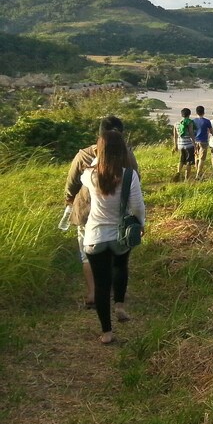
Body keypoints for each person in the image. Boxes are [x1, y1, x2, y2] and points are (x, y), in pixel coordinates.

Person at [64, 116, 138, 309]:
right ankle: (111, 290)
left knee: (87, 254)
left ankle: (92, 293)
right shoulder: (127, 155)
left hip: (85, 211)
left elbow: (71, 184)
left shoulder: (83, 155)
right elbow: (135, 180)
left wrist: (69, 200)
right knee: (114, 251)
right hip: (115, 213)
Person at [81, 130, 146, 344]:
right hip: (120, 235)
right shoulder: (129, 175)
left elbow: (91, 169)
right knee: (121, 266)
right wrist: (141, 224)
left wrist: (99, 155)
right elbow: (137, 206)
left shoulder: (89, 175)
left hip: (95, 235)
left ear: (100, 151)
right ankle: (119, 305)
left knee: (101, 285)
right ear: (122, 151)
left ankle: (107, 332)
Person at [172, 108, 196, 181]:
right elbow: (191, 134)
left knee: (181, 160)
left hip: (180, 145)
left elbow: (175, 136)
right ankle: (186, 178)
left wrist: (175, 145)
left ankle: (178, 172)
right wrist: (195, 145)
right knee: (189, 162)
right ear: (189, 114)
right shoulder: (189, 122)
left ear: (181, 114)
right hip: (189, 145)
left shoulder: (176, 123)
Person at [193, 105, 213, 180]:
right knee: (202, 158)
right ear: (203, 112)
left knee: (196, 157)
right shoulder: (207, 121)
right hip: (203, 141)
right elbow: (211, 131)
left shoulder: (193, 121)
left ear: (196, 112)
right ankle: (198, 174)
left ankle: (197, 171)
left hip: (195, 141)